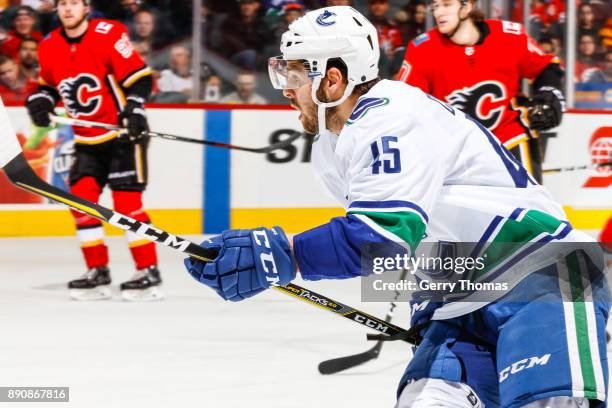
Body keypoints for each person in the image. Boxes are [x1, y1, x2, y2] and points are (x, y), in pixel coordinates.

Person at [184, 6, 609, 407]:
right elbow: (415, 241)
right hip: (457, 302)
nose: (286, 88)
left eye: (294, 73)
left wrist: (282, 255)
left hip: (541, 278)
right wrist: (428, 305)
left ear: (333, 79)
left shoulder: (392, 116)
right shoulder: (332, 146)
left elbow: (382, 238)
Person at [25, 0, 162, 301]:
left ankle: (148, 271)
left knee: (127, 205)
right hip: (87, 140)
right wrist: (41, 101)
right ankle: (97, 271)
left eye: (75, 2)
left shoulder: (108, 33)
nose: (68, 9)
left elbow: (139, 77)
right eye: (63, 3)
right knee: (82, 203)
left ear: (86, 7)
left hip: (123, 134)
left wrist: (135, 108)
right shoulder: (49, 46)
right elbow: (46, 86)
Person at [395, 0, 566, 183]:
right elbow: (407, 101)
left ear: (466, 7)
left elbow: (546, 67)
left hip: (509, 137)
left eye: (446, 5)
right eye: (435, 6)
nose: (439, 13)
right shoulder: (422, 49)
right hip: (455, 149)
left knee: (530, 206)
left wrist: (550, 92)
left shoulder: (508, 36)